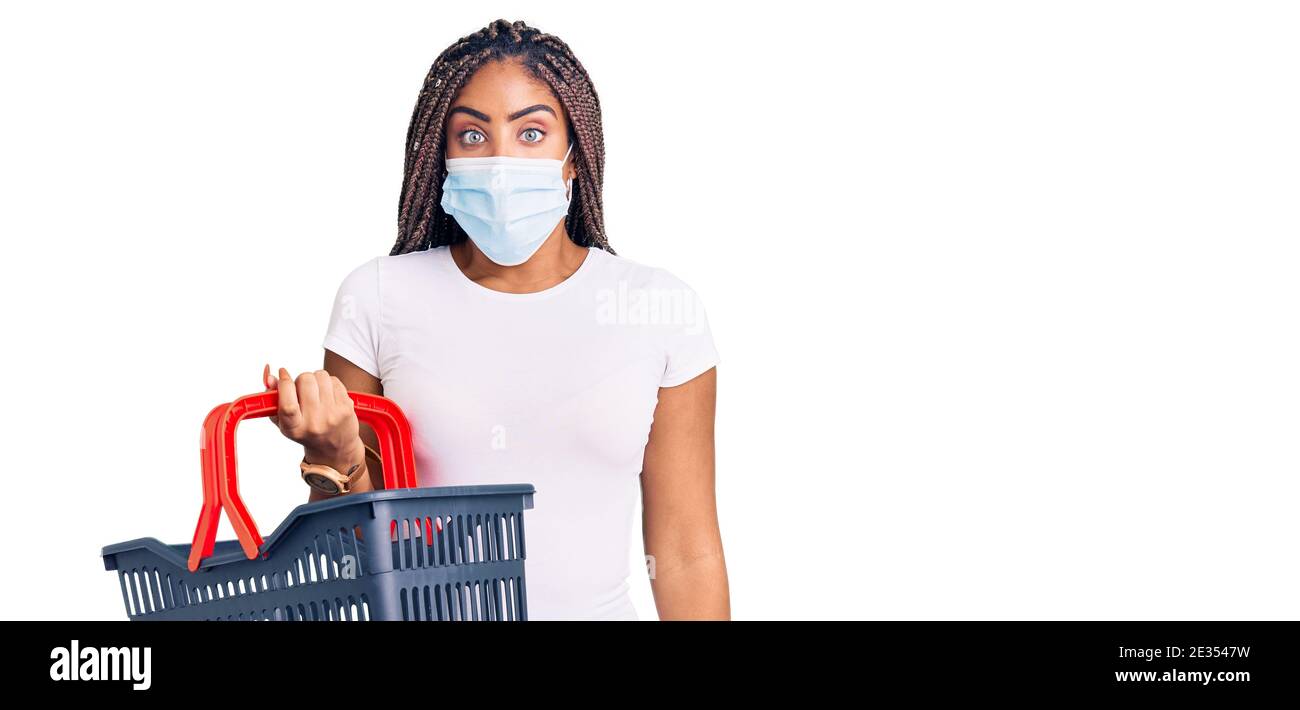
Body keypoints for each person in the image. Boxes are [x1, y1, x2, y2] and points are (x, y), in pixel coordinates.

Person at [264, 19, 727, 621]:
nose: (502, 162)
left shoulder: (658, 307)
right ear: (444, 155)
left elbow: (685, 550)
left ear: (573, 158)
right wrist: (335, 454)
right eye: (473, 136)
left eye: (531, 132)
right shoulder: (377, 297)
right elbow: (356, 560)